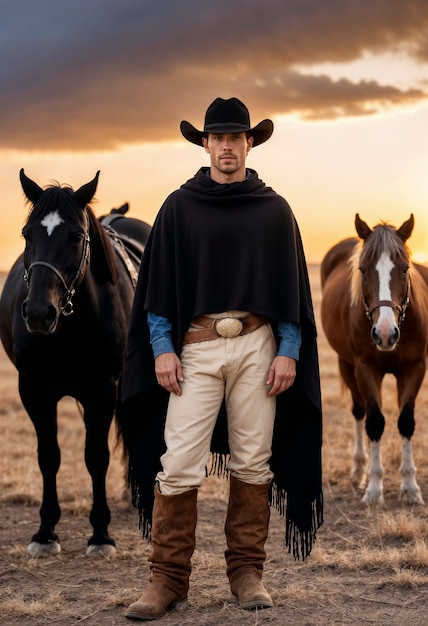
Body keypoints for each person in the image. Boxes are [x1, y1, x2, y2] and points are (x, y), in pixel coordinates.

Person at [119, 97, 323, 621]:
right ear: (205, 143)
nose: (228, 146)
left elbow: (292, 290)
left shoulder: (273, 210)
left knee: (254, 460)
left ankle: (246, 573)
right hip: (197, 348)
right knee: (180, 461)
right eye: (219, 137)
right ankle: (166, 580)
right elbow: (158, 289)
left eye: (237, 137)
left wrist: (289, 352)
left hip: (259, 347)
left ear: (250, 143)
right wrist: (162, 349)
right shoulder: (179, 207)